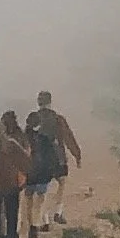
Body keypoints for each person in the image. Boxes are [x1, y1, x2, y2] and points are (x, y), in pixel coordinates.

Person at [32, 90, 82, 224]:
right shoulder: (58, 119)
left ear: (38, 102)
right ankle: (58, 212)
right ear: (50, 101)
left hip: (40, 160)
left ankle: (45, 220)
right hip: (57, 158)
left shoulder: (33, 120)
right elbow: (68, 138)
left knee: (42, 190)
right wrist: (77, 155)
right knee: (62, 183)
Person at [23, 103, 62, 238]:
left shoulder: (22, 138)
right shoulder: (44, 139)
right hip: (42, 176)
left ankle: (30, 226)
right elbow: (52, 158)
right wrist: (53, 173)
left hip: (28, 176)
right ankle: (35, 228)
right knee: (39, 203)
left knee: (28, 202)